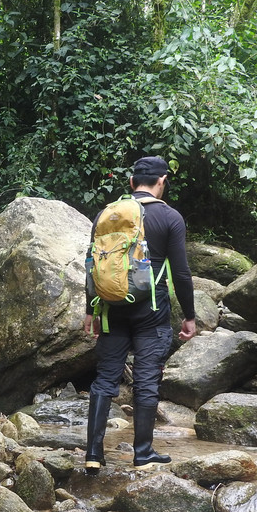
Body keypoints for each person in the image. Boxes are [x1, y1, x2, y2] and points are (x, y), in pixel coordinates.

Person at [82, 156, 197, 472]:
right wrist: (189, 315)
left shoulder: (107, 215)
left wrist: (90, 309)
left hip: (110, 309)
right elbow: (182, 273)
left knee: (105, 379)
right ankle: (143, 454)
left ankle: (93, 454)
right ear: (161, 182)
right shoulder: (170, 217)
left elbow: (93, 265)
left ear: (132, 183)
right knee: (146, 381)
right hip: (151, 312)